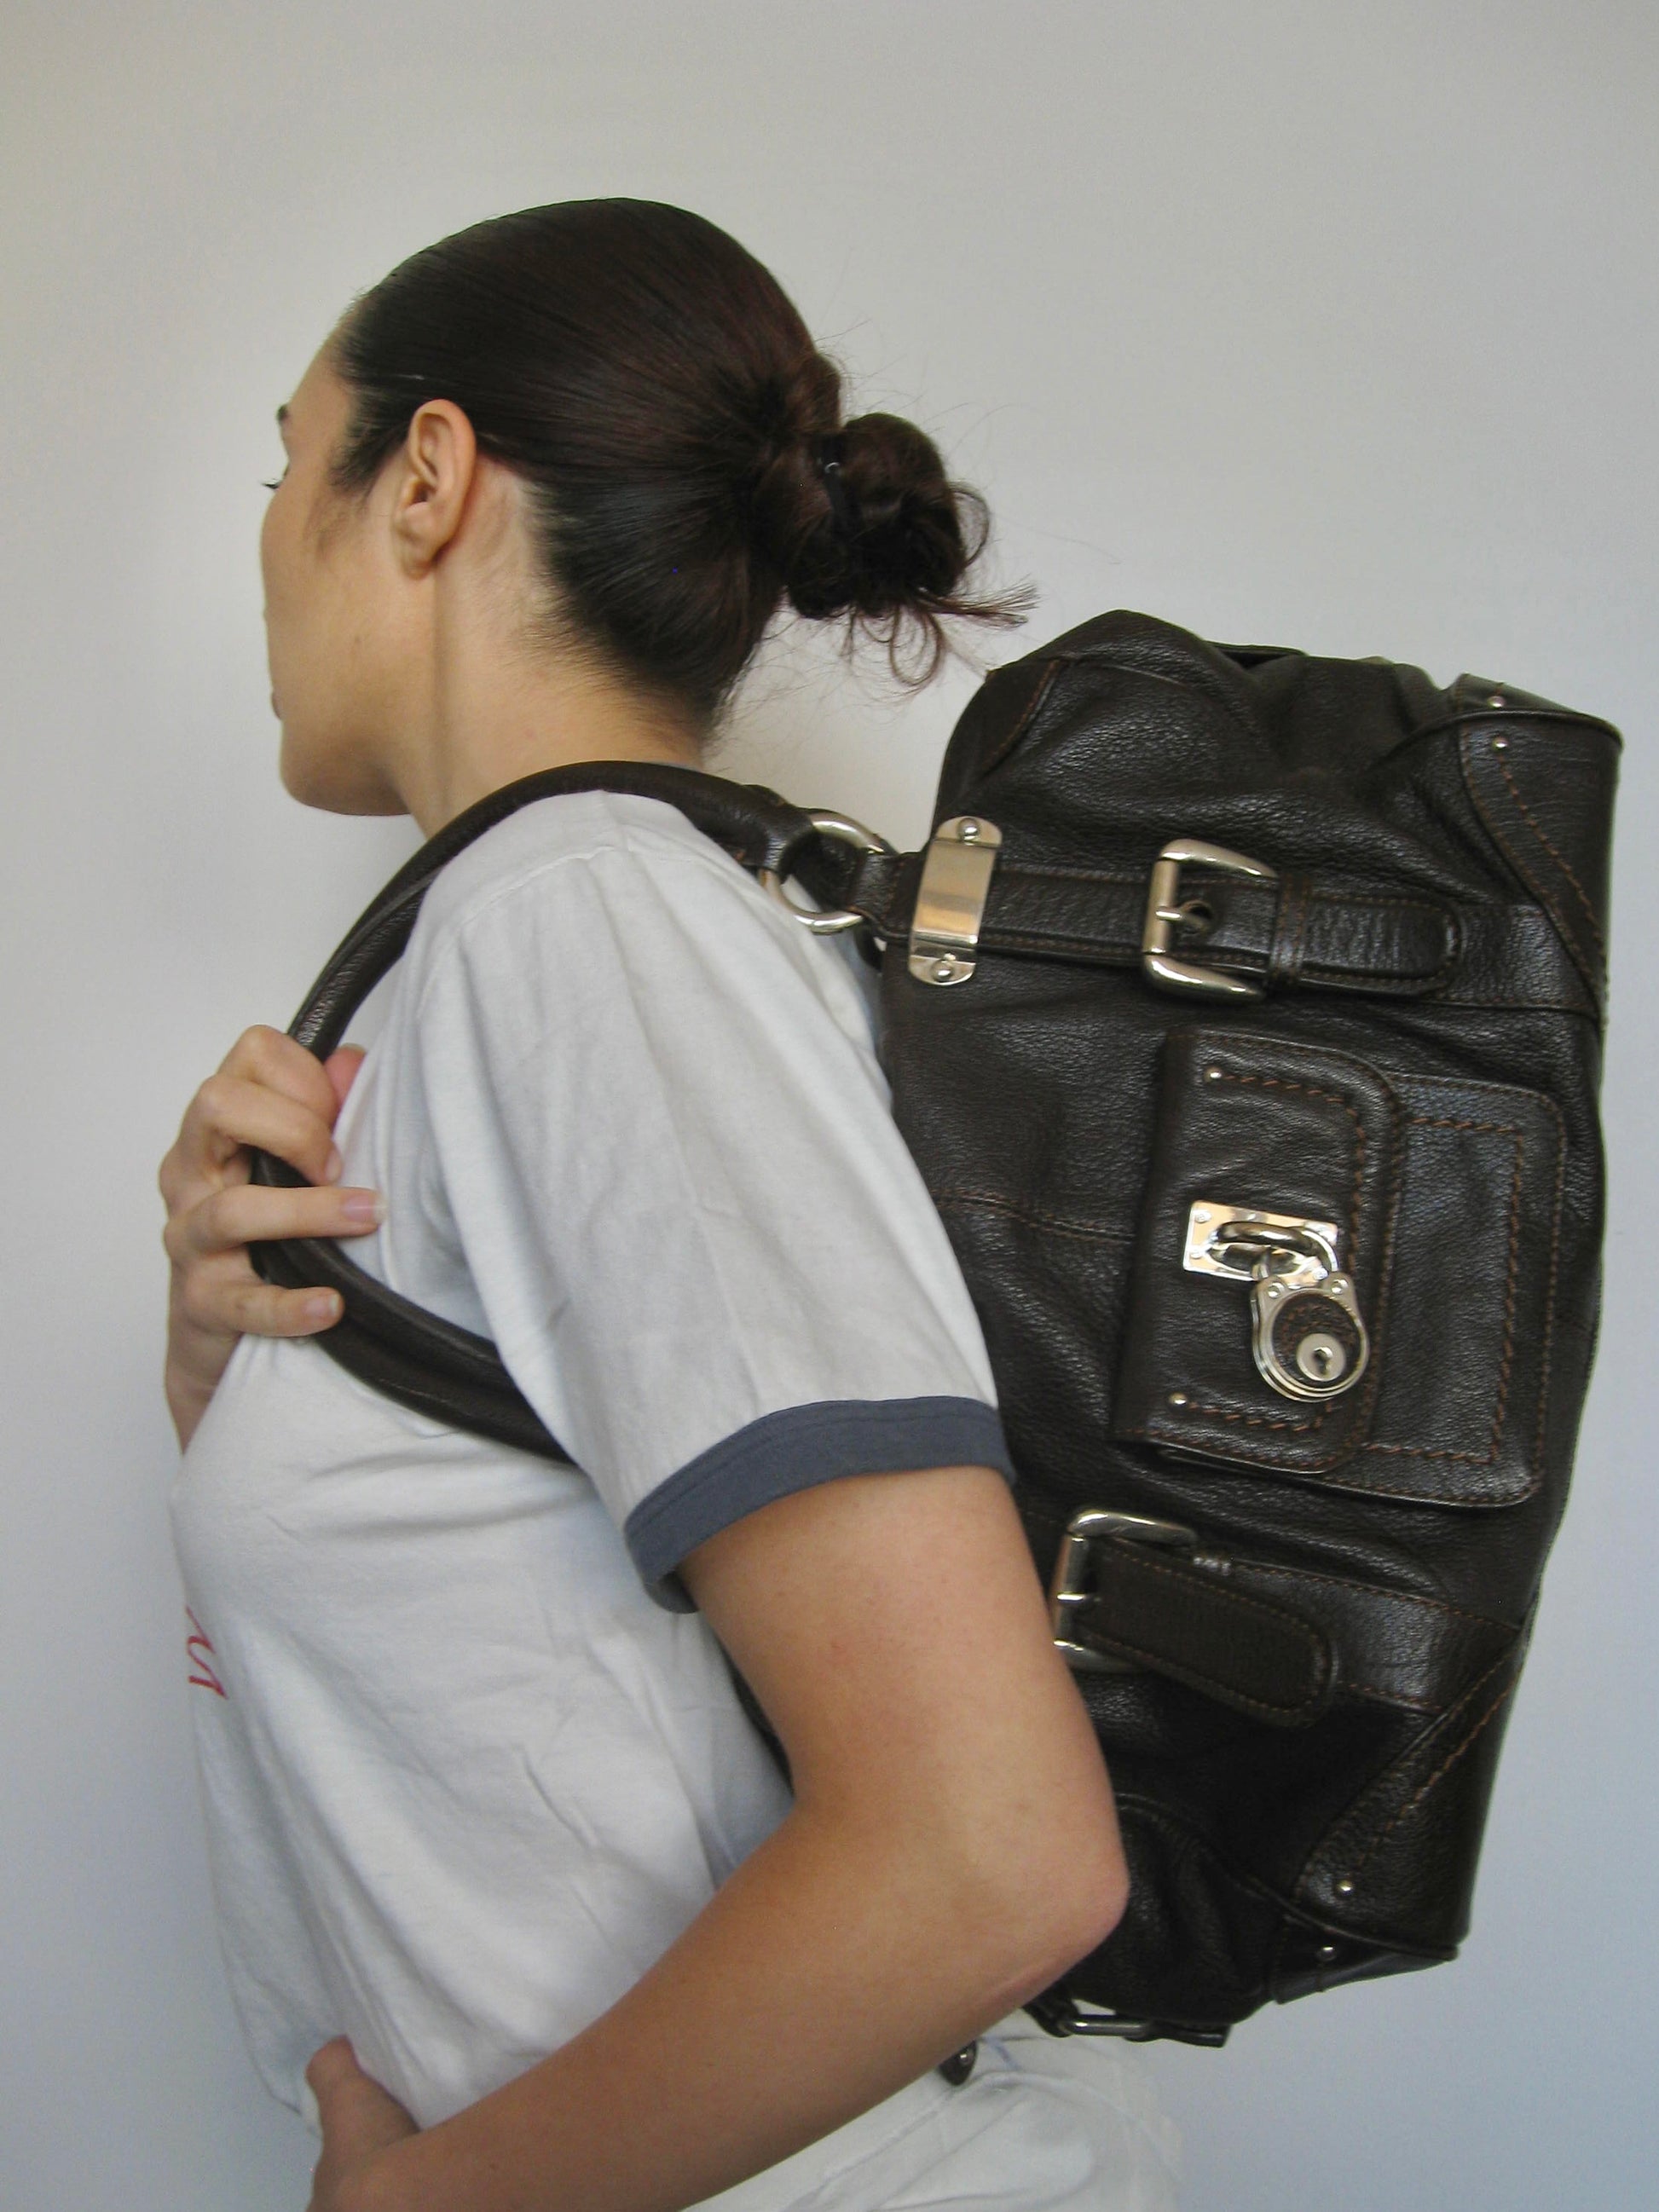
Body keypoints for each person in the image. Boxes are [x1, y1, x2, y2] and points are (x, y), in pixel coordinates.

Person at [158, 199, 1182, 2212]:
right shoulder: (532, 935)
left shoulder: (583, 920)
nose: (266, 540)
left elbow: (987, 1848)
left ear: (427, 479)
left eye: (289, 468)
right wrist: (224, 1359)